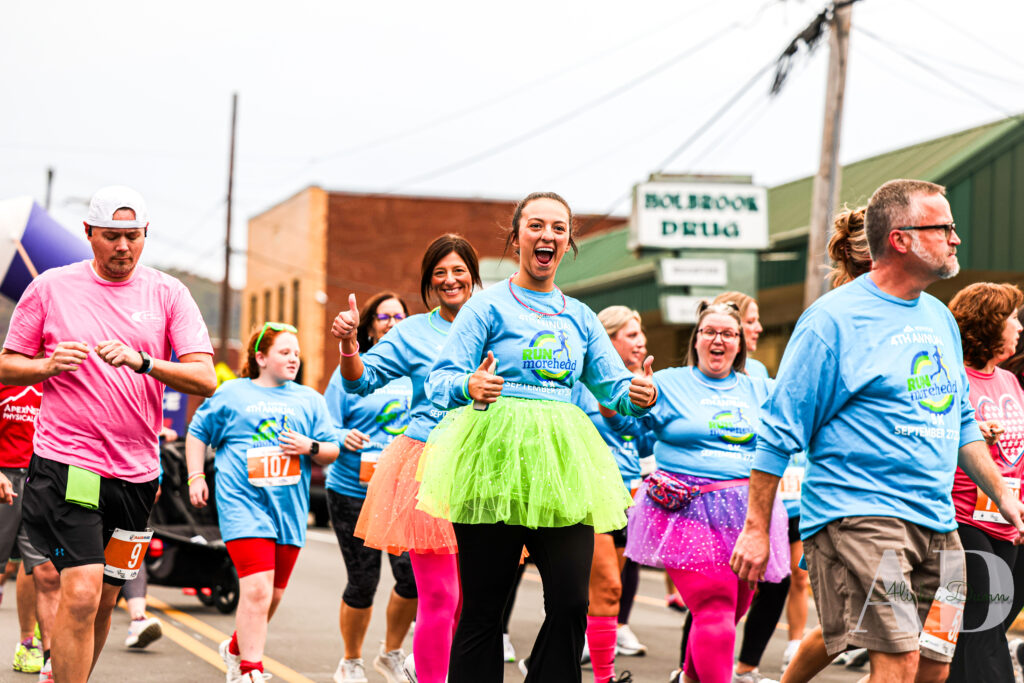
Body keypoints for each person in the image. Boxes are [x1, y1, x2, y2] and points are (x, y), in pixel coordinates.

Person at [731, 179, 1024, 683]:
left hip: (939, 523)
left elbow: (958, 422)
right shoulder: (831, 321)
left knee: (935, 663)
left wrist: (1003, 493)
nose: (956, 238)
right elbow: (778, 432)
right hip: (864, 516)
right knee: (899, 657)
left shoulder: (939, 319)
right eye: (944, 228)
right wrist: (757, 529)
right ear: (901, 239)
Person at [415, 192, 657, 683]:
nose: (547, 236)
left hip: (562, 465)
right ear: (517, 236)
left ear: (568, 242)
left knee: (571, 601)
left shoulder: (581, 317)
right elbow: (439, 381)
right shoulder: (484, 308)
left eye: (559, 229)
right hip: (492, 462)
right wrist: (469, 385)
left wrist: (640, 393)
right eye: (536, 226)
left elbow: (613, 388)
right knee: (484, 609)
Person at [0, 185, 216, 683]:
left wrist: (144, 362)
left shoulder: (167, 293)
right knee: (79, 592)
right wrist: (46, 365)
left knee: (102, 604)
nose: (123, 248)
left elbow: (204, 377)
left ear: (145, 236)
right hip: (67, 464)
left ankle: (67, 675)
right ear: (89, 234)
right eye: (112, 237)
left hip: (136, 477)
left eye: (133, 237)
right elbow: (8, 365)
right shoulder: (51, 287)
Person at [331, 234, 482, 683]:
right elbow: (362, 381)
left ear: (474, 276)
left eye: (459, 271)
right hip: (427, 464)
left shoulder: (497, 320)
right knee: (439, 594)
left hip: (483, 467)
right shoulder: (413, 331)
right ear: (429, 283)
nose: (450, 280)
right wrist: (349, 347)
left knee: (466, 600)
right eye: (440, 273)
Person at [620, 301, 789, 683]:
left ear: (740, 343)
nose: (718, 339)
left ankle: (689, 678)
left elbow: (800, 423)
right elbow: (630, 433)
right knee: (714, 606)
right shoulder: (666, 383)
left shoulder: (761, 388)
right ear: (696, 340)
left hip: (750, 515)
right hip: (686, 509)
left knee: (729, 613)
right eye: (709, 332)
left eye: (728, 333)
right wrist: (632, 404)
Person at [188, 323, 340, 683]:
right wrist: (195, 476)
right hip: (242, 503)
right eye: (284, 352)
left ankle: (236, 647)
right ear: (260, 357)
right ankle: (249, 669)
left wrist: (310, 447)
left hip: (287, 510)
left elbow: (331, 450)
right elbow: (197, 432)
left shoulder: (309, 400)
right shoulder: (231, 394)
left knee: (272, 595)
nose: (293, 358)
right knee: (255, 590)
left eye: (296, 353)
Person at [709, 291, 809, 681]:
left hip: (778, 496)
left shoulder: (764, 377)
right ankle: (691, 668)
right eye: (750, 321)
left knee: (777, 581)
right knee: (720, 593)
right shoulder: (709, 375)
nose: (758, 328)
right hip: (723, 497)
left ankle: (746, 666)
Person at [324, 291, 417, 683]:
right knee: (363, 581)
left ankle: (391, 653)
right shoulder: (351, 370)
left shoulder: (418, 368)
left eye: (400, 316)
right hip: (353, 490)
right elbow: (324, 425)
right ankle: (351, 660)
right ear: (370, 323)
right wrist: (343, 436)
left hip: (403, 490)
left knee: (412, 579)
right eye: (384, 316)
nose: (393, 322)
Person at [945, 283, 1024, 682]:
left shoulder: (1009, 382)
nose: (1018, 327)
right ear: (989, 323)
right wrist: (973, 432)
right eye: (1011, 318)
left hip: (1007, 521)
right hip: (963, 520)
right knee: (983, 623)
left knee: (975, 627)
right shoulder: (953, 379)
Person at [571, 305, 653, 683]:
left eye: (641, 335)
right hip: (587, 493)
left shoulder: (638, 382)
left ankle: (572, 658)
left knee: (604, 597)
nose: (642, 342)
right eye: (632, 335)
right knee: (608, 586)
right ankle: (602, 677)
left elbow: (643, 438)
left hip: (629, 495)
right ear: (608, 338)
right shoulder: (578, 383)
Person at [0, 380, 59, 680]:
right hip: (3, 480)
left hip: (40, 481)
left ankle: (46, 656)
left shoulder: (54, 382)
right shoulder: (5, 374)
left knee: (47, 572)